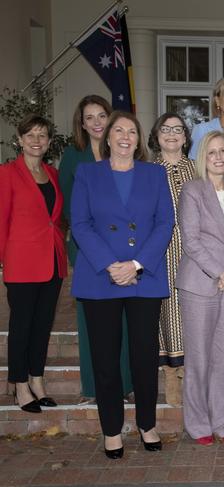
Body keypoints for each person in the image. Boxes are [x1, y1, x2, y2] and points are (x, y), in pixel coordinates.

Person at [71, 111, 174, 459]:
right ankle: (111, 430)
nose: (125, 136)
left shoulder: (154, 173)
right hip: (101, 278)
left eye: (132, 131)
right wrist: (110, 265)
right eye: (119, 130)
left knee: (145, 358)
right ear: (107, 137)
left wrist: (136, 264)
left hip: (144, 277)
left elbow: (165, 222)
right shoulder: (87, 173)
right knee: (105, 359)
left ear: (139, 139)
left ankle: (148, 424)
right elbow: (80, 223)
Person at [59, 95, 134, 405]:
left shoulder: (123, 149)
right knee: (92, 322)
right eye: (89, 117)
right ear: (82, 123)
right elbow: (68, 206)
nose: (97, 122)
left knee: (125, 320)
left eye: (101, 115)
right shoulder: (73, 157)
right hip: (88, 248)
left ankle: (126, 385)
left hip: (124, 251)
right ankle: (93, 388)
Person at [176, 131, 224, 446]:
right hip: (200, 285)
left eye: (223, 152)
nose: (218, 157)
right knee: (199, 358)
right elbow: (191, 240)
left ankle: (222, 421)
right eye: (212, 152)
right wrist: (220, 272)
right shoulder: (192, 190)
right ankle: (198, 424)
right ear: (204, 157)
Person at [0, 114, 67, 413]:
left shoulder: (52, 173)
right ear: (20, 139)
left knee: (42, 325)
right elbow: (1, 220)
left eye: (42, 135)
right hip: (21, 261)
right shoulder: (7, 173)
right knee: (22, 325)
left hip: (52, 260)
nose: (37, 140)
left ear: (49, 141)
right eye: (31, 135)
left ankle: (37, 380)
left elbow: (54, 218)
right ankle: (19, 384)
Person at [147, 113, 195, 406]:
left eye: (178, 130)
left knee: (190, 308)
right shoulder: (146, 170)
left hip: (192, 251)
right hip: (159, 251)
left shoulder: (197, 168)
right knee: (163, 311)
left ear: (186, 137)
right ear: (157, 135)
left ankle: (190, 371)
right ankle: (169, 373)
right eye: (166, 129)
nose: (172, 134)